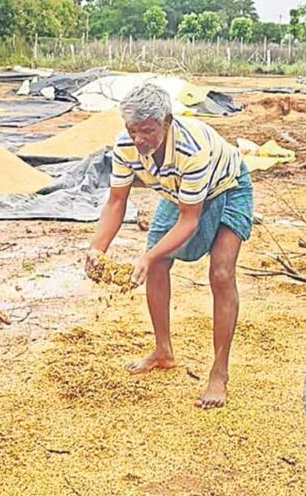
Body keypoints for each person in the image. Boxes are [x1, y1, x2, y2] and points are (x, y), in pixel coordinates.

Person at [86, 84, 254, 410]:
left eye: (147, 130)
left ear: (167, 121)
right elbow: (117, 201)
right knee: (159, 266)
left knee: (221, 272)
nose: (139, 139)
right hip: (178, 192)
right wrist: (97, 249)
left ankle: (219, 371)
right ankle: (163, 351)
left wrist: (147, 256)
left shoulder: (191, 149)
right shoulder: (126, 145)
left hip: (228, 186)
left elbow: (190, 220)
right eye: (132, 130)